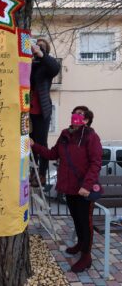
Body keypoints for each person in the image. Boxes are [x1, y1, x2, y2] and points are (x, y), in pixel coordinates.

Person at [30, 106, 102, 273]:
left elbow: (95, 163)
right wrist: (35, 145)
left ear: (86, 120)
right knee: (76, 219)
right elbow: (52, 154)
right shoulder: (64, 134)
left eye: (80, 114)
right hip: (69, 188)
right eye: (74, 113)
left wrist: (86, 186)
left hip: (84, 189)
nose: (75, 116)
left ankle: (86, 256)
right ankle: (80, 243)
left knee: (86, 222)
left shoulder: (91, 137)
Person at [30, 38, 61, 186]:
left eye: (41, 46)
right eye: (36, 45)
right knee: (29, 142)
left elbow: (55, 67)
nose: (37, 48)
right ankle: (32, 170)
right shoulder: (30, 63)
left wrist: (41, 54)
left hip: (42, 110)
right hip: (27, 111)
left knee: (41, 142)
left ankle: (42, 174)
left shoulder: (47, 65)